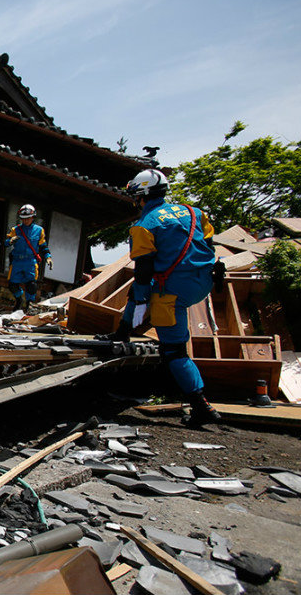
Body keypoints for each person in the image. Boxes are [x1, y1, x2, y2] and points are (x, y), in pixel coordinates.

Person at [104, 169, 224, 426]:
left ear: (141, 196)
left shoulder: (144, 225)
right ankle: (123, 331)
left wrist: (137, 307)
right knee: (145, 295)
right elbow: (210, 243)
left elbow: (144, 272)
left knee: (174, 350)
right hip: (204, 282)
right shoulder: (194, 212)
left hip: (173, 292)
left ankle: (202, 407)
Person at [4, 204, 52, 311]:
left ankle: (29, 306)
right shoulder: (15, 229)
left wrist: (48, 257)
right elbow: (6, 243)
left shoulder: (39, 230)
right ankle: (19, 300)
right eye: (23, 219)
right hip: (17, 261)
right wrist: (11, 240)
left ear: (33, 217)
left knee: (31, 285)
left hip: (30, 261)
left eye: (28, 218)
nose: (25, 221)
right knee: (12, 284)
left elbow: (43, 245)